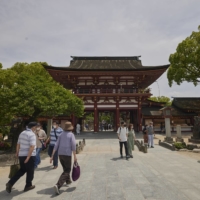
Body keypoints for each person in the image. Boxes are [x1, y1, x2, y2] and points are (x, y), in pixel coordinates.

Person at [6, 122, 37, 193]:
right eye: (35, 127)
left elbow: (18, 144)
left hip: (21, 154)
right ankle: (28, 185)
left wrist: (17, 152)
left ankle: (10, 183)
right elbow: (32, 146)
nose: (36, 128)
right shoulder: (32, 134)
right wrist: (28, 157)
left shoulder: (22, 133)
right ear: (33, 127)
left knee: (22, 170)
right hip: (29, 155)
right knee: (30, 171)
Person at [50, 121, 77, 195]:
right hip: (67, 154)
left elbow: (56, 144)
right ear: (70, 128)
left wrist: (52, 155)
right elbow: (73, 146)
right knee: (67, 170)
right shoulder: (71, 135)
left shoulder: (61, 134)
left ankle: (68, 180)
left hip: (60, 154)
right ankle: (58, 185)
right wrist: (75, 156)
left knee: (65, 168)